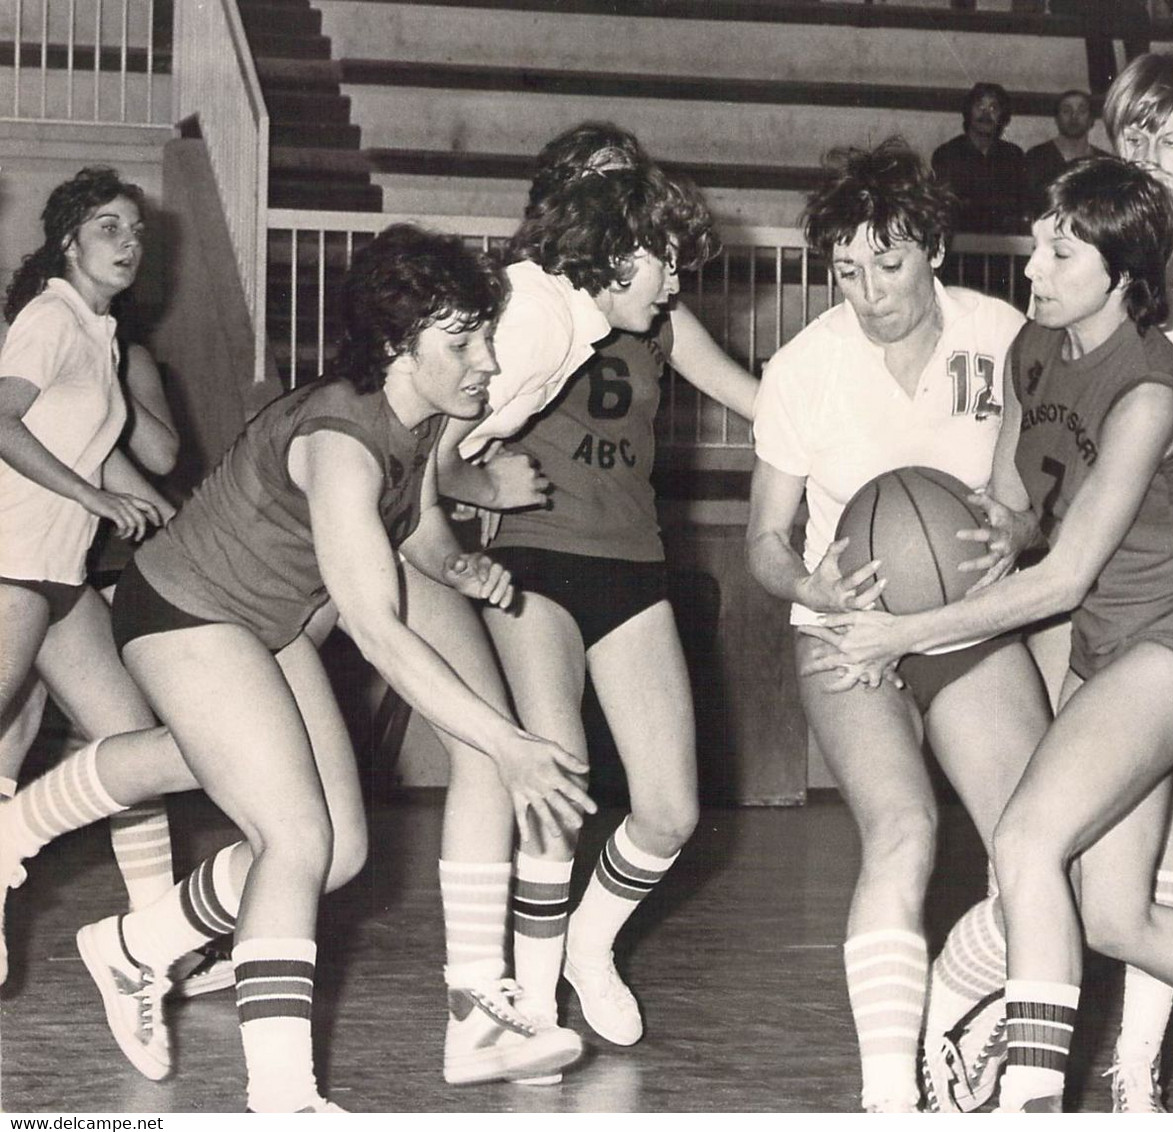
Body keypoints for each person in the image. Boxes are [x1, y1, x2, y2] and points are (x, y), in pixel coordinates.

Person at [802, 156, 1173, 1114]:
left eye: (1060, 253)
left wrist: (904, 632)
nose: (1033, 266)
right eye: (1036, 244)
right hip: (1112, 642)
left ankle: (1033, 1103)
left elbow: (1063, 576)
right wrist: (987, 529)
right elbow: (1017, 511)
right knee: (1114, 915)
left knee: (1024, 844)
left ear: (1125, 274)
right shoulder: (1032, 351)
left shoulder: (1154, 391)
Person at [55, 224, 596, 1112]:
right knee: (295, 839)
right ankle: (283, 1101)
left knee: (337, 853)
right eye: (463, 341)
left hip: (263, 625)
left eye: (485, 336)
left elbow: (412, 521)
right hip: (186, 611)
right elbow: (379, 632)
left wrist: (459, 566)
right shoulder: (343, 436)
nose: (488, 362)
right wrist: (506, 743)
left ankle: (135, 947)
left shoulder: (417, 417)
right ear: (396, 344)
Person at [921, 51, 1173, 1114]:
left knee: (1130, 814)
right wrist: (1003, 522)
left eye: (1172, 133)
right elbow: (1034, 463)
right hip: (1085, 573)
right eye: (1133, 132)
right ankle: (1006, 1017)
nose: (1152, 150)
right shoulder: (1078, 258)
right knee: (1065, 832)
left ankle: (1128, 1065)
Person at [745, 136, 1050, 1113]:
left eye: (888, 263)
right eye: (845, 269)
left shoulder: (1006, 335)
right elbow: (763, 542)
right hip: (852, 625)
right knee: (905, 828)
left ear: (934, 248)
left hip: (966, 618)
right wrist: (821, 592)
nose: (867, 291)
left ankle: (952, 1007)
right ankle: (889, 1098)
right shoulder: (804, 366)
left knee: (1036, 846)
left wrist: (1021, 527)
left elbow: (1044, 493)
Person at [438, 135, 757, 1064]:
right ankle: (533, 1007)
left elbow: (754, 398)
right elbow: (438, 448)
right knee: (559, 781)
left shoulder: (653, 310)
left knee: (671, 811)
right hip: (536, 556)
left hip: (631, 558)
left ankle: (589, 941)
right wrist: (478, 495)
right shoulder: (523, 307)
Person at [0, 167, 182, 989]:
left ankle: (159, 942)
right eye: (110, 227)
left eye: (136, 231)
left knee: (130, 743)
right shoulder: (49, 315)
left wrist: (174, 525)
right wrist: (94, 498)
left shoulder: (100, 333)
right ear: (66, 240)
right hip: (8, 562)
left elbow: (99, 450)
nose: (129, 242)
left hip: (60, 573)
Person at [930, 83, 1029, 234]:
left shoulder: (1014, 155)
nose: (986, 114)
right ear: (968, 112)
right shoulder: (947, 153)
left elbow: (1019, 206)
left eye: (993, 108)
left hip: (1003, 246)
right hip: (957, 245)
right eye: (979, 107)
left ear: (1002, 116)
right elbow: (944, 207)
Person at [1024, 90, 1107, 213]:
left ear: (1091, 120)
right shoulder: (1036, 157)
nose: (1074, 117)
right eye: (1066, 111)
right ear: (1056, 119)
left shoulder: (1103, 162)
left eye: (1082, 111)